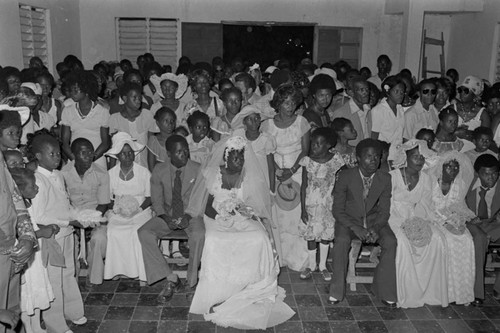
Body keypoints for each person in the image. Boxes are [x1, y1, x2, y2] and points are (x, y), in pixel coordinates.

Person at [187, 136, 294, 329]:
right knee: (213, 239)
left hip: (241, 216)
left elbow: (252, 204)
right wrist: (221, 213)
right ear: (226, 157)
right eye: (235, 158)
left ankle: (252, 286)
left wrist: (243, 212)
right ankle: (219, 291)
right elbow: (206, 205)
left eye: (242, 158)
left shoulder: (248, 176)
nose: (239, 162)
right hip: (215, 217)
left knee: (258, 237)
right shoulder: (212, 173)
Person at [28, 132, 87, 332]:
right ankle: (56, 324)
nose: (57, 158)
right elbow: (40, 217)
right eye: (51, 154)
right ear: (38, 156)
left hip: (67, 233)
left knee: (69, 274)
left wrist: (80, 216)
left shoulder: (59, 175)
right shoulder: (37, 180)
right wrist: (67, 220)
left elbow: (65, 204)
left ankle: (74, 311)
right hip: (52, 237)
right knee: (53, 280)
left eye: (58, 153)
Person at [328, 139, 397, 307]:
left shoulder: (385, 178)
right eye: (369, 156)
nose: (374, 160)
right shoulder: (345, 176)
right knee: (342, 241)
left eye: (377, 157)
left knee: (391, 242)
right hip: (348, 221)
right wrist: (356, 227)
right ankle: (336, 291)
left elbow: (384, 210)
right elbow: (337, 210)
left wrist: (375, 227)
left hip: (374, 221)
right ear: (358, 158)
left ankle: (384, 290)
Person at [138, 135, 205, 301]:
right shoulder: (159, 171)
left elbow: (199, 199)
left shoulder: (198, 169)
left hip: (191, 213)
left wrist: (188, 216)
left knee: (198, 235)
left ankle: (191, 282)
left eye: (186, 150)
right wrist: (166, 218)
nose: (185, 155)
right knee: (144, 233)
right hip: (167, 214)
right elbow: (156, 201)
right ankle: (171, 278)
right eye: (179, 152)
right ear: (169, 154)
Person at [386, 140, 448, 308]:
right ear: (406, 156)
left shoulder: (427, 179)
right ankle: (407, 293)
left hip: (417, 216)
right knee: (403, 243)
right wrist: (403, 222)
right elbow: (387, 204)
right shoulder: (392, 176)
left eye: (422, 157)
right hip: (394, 217)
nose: (419, 160)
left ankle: (431, 292)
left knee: (437, 239)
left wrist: (421, 223)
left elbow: (426, 205)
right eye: (415, 156)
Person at [262, 84, 310, 271]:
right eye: (285, 102)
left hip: (297, 170)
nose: (290, 107)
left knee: (295, 215)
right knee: (279, 217)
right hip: (275, 172)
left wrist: (292, 170)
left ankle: (298, 259)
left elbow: (305, 150)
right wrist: (276, 171)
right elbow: (266, 152)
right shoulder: (267, 124)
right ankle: (279, 258)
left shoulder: (302, 122)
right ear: (278, 104)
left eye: (293, 103)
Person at [0, 105, 37, 333]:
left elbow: (16, 201)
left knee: (11, 314)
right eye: (10, 131)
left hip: (9, 254)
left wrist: (26, 237)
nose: (17, 136)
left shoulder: (4, 163)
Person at [9, 167, 57, 333]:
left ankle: (37, 326)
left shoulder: (29, 203)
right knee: (26, 297)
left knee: (38, 294)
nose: (36, 188)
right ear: (19, 190)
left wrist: (46, 228)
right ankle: (27, 328)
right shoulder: (13, 211)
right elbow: (17, 237)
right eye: (33, 186)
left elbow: (34, 224)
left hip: (35, 260)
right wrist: (40, 233)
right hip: (24, 262)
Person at [428, 151, 476, 305]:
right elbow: (428, 207)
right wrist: (444, 222)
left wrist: (459, 222)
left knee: (466, 239)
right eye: (449, 167)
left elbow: (459, 207)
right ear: (441, 167)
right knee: (447, 240)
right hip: (433, 220)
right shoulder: (431, 182)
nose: (453, 171)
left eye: (456, 168)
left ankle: (462, 292)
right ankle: (446, 293)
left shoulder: (459, 185)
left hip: (453, 221)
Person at [61, 138, 110, 286]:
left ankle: (94, 278)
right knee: (69, 241)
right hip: (72, 216)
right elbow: (64, 202)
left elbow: (103, 203)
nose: (89, 156)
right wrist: (76, 222)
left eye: (91, 152)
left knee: (99, 238)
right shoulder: (63, 173)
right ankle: (71, 282)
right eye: (84, 153)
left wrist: (91, 220)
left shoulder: (101, 173)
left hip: (96, 215)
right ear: (74, 154)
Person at [103, 132, 152, 282]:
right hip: (118, 211)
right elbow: (108, 199)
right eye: (123, 153)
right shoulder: (110, 174)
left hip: (141, 210)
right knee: (113, 231)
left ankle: (139, 272)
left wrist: (137, 209)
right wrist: (118, 208)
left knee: (136, 232)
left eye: (130, 152)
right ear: (117, 156)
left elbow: (150, 198)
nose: (127, 156)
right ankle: (117, 270)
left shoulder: (143, 172)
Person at [299, 128, 344, 281]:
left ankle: (323, 265)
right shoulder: (307, 161)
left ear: (328, 145)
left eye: (318, 144)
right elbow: (303, 185)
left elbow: (341, 182)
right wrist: (302, 210)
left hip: (328, 204)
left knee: (326, 235)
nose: (314, 147)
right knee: (311, 235)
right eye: (313, 144)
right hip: (310, 203)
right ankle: (312, 265)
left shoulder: (336, 161)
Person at [465, 154, 500, 303]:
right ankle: (476, 293)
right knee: (479, 240)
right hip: (472, 224)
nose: (491, 178)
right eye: (486, 174)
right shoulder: (466, 184)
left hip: (494, 224)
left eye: (495, 173)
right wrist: (468, 217)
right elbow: (456, 206)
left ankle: (498, 288)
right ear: (477, 173)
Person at [61, 71, 111, 169]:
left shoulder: (102, 112)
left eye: (76, 90)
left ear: (87, 89)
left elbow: (105, 142)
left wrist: (91, 159)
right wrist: (75, 160)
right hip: (74, 159)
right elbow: (65, 141)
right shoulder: (68, 111)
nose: (72, 93)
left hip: (97, 159)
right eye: (71, 90)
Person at [108, 82, 158, 168]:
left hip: (144, 165)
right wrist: (111, 171)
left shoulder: (147, 115)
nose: (138, 100)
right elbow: (114, 148)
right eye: (134, 97)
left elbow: (151, 147)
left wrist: (152, 169)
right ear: (125, 98)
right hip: (122, 166)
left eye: (139, 97)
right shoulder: (115, 119)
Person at [331, 77, 371, 146]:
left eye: (367, 89)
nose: (366, 93)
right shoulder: (341, 113)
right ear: (351, 92)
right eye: (361, 90)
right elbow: (337, 142)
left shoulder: (369, 110)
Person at [371, 76, 405, 146]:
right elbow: (374, 137)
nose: (400, 95)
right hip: (385, 151)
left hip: (399, 152)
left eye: (402, 92)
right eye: (396, 91)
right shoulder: (378, 110)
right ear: (388, 92)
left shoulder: (400, 109)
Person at [455, 75, 490, 140]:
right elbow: (441, 132)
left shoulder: (483, 114)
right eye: (460, 90)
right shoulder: (452, 108)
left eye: (466, 91)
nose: (462, 93)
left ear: (475, 95)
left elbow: (485, 138)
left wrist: (468, 133)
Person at [147, 107, 176, 171]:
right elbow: (151, 168)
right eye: (166, 121)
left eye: (172, 121)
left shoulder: (178, 139)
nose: (170, 124)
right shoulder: (153, 141)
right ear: (158, 123)